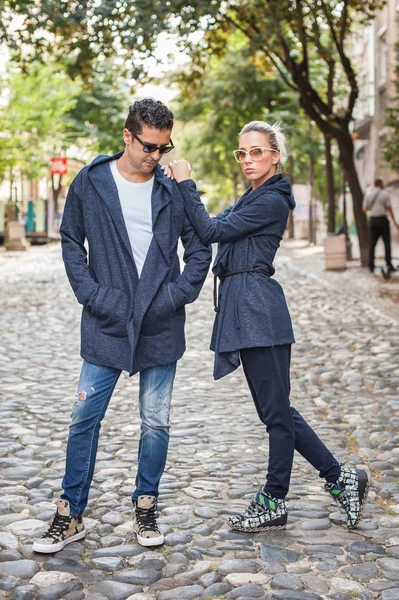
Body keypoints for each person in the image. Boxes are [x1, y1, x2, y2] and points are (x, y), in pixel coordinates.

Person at [164, 121, 370, 532]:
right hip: (247, 309)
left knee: (276, 413)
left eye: (257, 151)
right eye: (243, 153)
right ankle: (339, 477)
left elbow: (211, 229)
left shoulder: (273, 200)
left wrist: (187, 182)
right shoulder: (252, 196)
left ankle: (275, 499)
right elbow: (212, 222)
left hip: (260, 311)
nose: (248, 160)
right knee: (276, 411)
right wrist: (181, 189)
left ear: (276, 155)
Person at [32, 99, 212, 553]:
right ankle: (70, 513)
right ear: (127, 136)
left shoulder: (172, 190)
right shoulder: (91, 182)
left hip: (160, 323)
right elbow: (71, 240)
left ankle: (146, 504)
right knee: (82, 419)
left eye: (165, 147)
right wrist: (93, 296)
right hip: (106, 322)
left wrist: (174, 296)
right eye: (149, 146)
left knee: (156, 422)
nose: (156, 155)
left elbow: (200, 251)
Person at [363, 177, 399, 273]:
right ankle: (388, 264)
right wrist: (395, 222)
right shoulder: (384, 194)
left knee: (372, 244)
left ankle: (371, 265)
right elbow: (389, 209)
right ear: (380, 184)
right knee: (387, 243)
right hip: (382, 220)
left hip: (373, 220)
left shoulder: (369, 195)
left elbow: (365, 209)